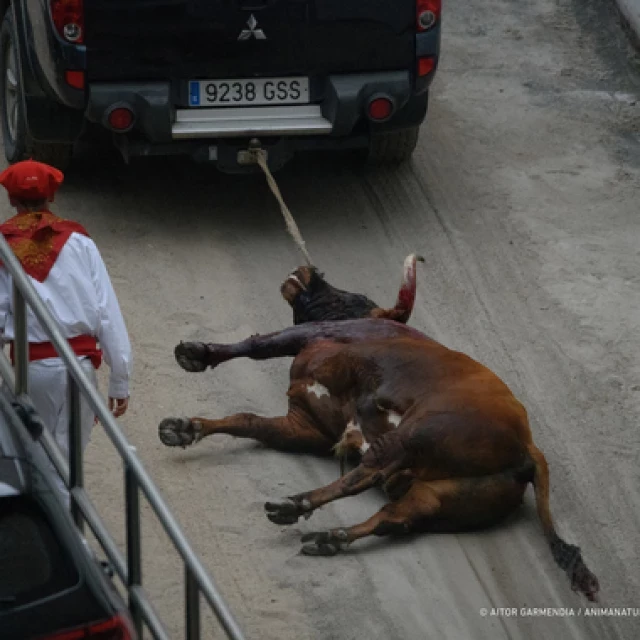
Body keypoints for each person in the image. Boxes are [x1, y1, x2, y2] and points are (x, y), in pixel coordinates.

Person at [0, 159, 133, 505]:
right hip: (80, 370)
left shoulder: (3, 246)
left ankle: (57, 542)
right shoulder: (80, 243)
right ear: (52, 197)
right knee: (69, 462)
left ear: (11, 199)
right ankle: (73, 538)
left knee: (34, 454)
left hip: (33, 370)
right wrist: (120, 377)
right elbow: (107, 312)